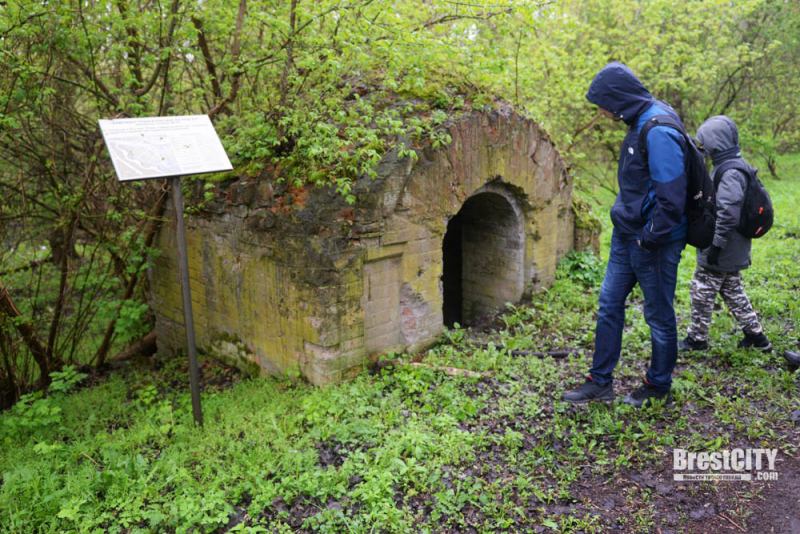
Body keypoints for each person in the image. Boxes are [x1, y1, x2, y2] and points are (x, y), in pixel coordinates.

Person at [561, 62, 688, 407]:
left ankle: (658, 385)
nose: (601, 112)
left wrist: (649, 237)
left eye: (603, 104)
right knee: (609, 306)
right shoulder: (638, 120)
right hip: (626, 234)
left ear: (618, 98)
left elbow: (672, 197)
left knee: (658, 316)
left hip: (653, 240)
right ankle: (599, 382)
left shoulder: (657, 128)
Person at [679, 116, 771, 353]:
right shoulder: (733, 164)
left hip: (724, 246)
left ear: (715, 143)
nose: (703, 148)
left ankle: (696, 340)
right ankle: (756, 337)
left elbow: (728, 214)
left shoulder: (730, 172)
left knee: (701, 289)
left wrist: (716, 246)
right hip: (733, 245)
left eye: (704, 143)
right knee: (732, 289)